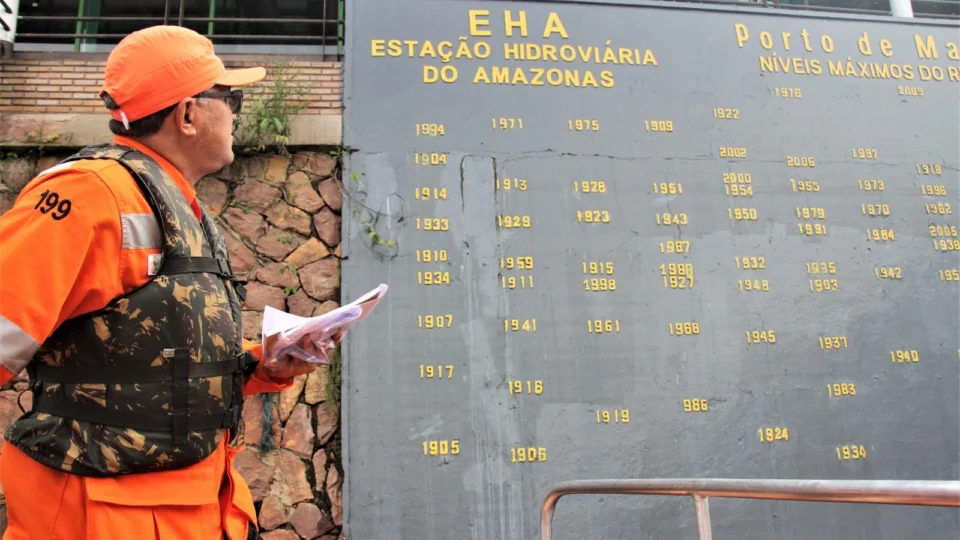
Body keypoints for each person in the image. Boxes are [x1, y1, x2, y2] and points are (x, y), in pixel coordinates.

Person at [0, 25, 329, 540]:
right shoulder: (90, 194)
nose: (236, 112)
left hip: (194, 506)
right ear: (189, 114)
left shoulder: (176, 202)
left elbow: (149, 362)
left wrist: (263, 363)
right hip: (102, 514)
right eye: (230, 96)